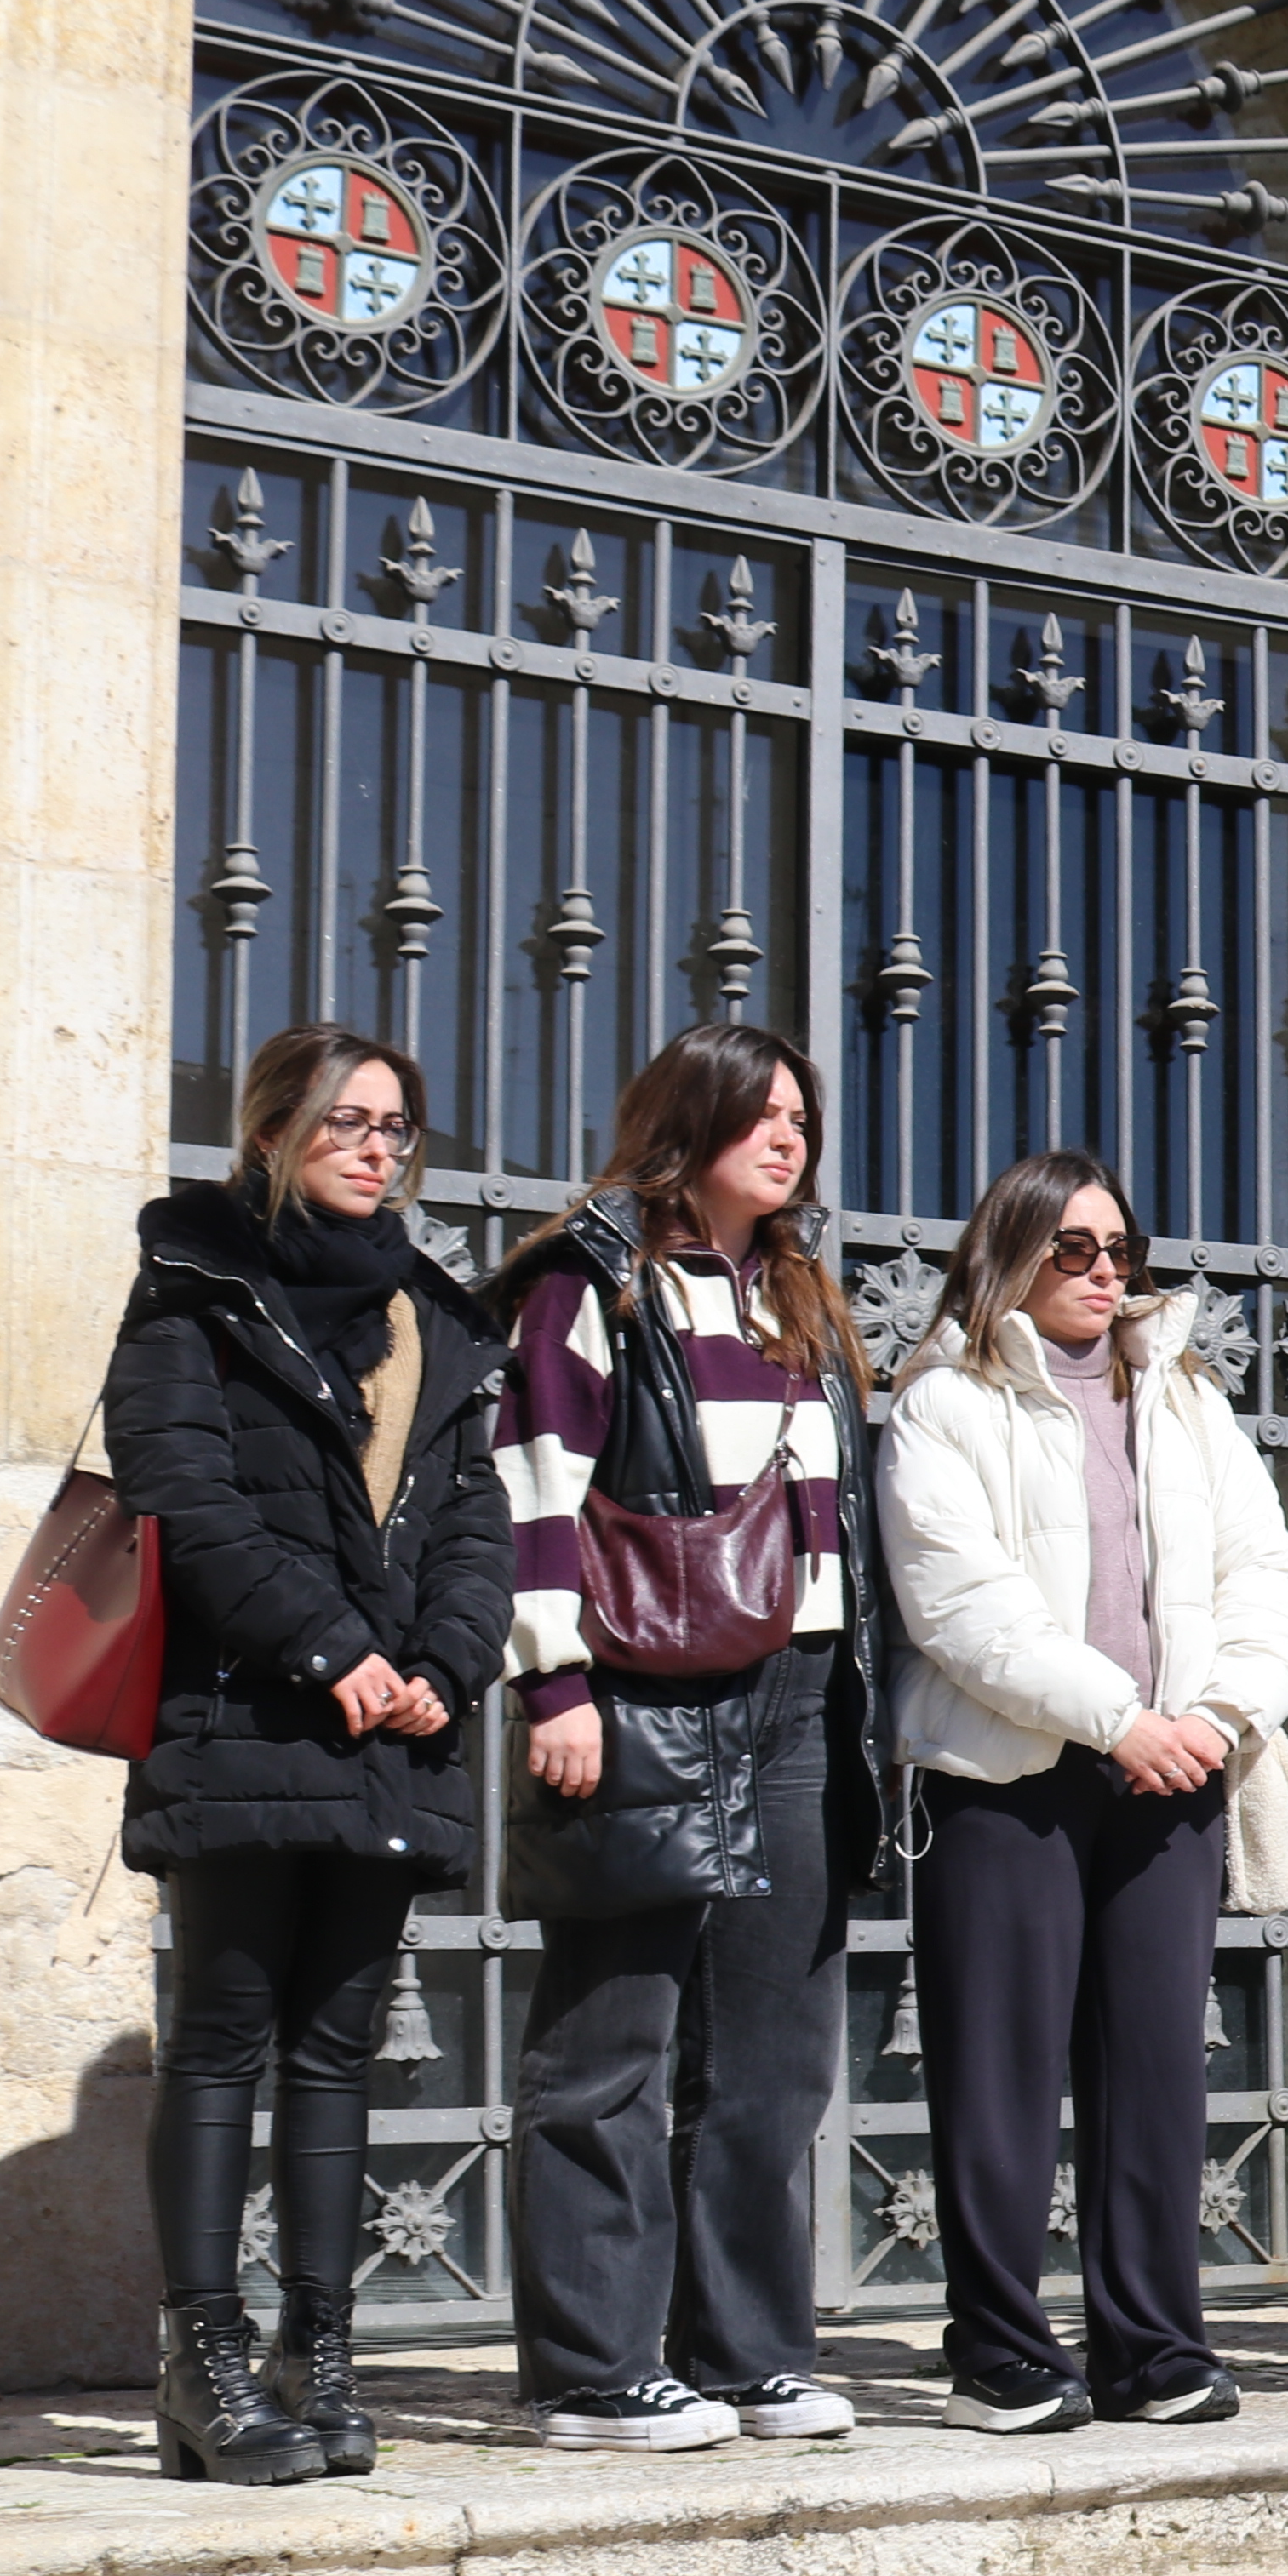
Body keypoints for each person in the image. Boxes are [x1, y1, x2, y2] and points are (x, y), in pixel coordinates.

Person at [100, 1026, 507, 2482]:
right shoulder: (196, 1291)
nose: (375, 1147)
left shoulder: (435, 1320)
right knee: (223, 2034)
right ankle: (201, 2363)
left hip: (396, 1723)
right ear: (270, 1133)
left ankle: (316, 2350)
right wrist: (331, 1652)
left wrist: (444, 1667)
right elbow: (184, 1501)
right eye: (344, 1121)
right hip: (246, 1714)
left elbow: (476, 1521)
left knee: (337, 2047)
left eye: (396, 1126)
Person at [492, 1019, 890, 2449]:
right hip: (639, 1688)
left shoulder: (799, 1296)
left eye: (802, 1116)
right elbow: (535, 1494)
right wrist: (553, 1686)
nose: (790, 1136)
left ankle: (744, 2353)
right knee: (613, 2041)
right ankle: (591, 2370)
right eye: (760, 1114)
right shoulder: (591, 1284)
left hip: (794, 1695)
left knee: (772, 2049)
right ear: (688, 1122)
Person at [882, 1152, 1288, 2430]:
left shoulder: (1182, 1398)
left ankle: (1152, 2345)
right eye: (1072, 1248)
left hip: (1174, 1767)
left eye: (1119, 1248)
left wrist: (1218, 1715)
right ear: (1011, 1251)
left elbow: (1260, 1569)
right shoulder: (943, 1403)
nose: (1104, 1271)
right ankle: (999, 2348)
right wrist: (1117, 1719)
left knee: (1153, 2071)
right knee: (1001, 2071)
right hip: (1012, 1776)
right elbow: (963, 1609)